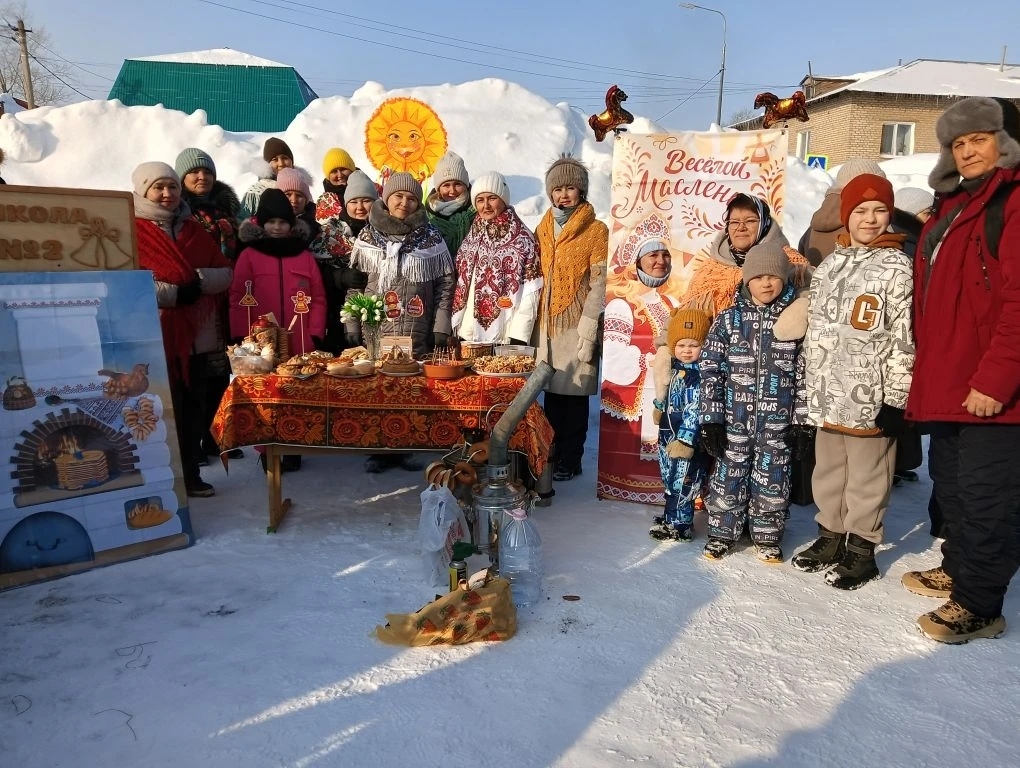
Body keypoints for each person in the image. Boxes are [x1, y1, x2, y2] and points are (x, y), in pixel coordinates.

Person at [902, 96, 1020, 643]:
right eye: (958, 142)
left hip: (991, 390)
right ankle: (957, 568)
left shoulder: (1012, 203)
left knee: (987, 496)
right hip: (949, 381)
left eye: (980, 138)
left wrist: (995, 380)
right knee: (951, 485)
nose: (968, 150)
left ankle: (979, 603)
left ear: (1006, 141)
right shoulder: (953, 206)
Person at [791, 173, 914, 590]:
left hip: (870, 395)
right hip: (828, 394)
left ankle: (861, 546)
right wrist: (810, 392)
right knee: (828, 471)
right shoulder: (832, 263)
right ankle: (830, 534)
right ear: (847, 216)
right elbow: (817, 333)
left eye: (880, 211)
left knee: (867, 475)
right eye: (861, 211)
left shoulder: (897, 267)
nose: (870, 219)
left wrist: (896, 397)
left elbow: (903, 336)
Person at [698, 241, 804, 563]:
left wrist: (801, 422)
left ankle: (768, 535)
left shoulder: (793, 320)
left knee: (773, 479)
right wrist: (712, 417)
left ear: (785, 278)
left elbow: (805, 375)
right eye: (758, 277)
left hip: (777, 423)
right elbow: (710, 369)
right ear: (747, 280)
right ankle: (721, 532)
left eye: (773, 276)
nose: (766, 283)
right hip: (734, 421)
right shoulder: (730, 320)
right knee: (729, 474)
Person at [131, 162, 232, 498]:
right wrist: (174, 294)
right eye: (158, 187)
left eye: (172, 187)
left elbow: (225, 272)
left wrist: (200, 283)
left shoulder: (192, 229)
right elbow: (127, 284)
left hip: (197, 338)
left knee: (193, 409)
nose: (167, 194)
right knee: (158, 409)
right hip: (155, 336)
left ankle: (189, 474)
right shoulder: (132, 231)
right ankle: (160, 477)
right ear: (144, 190)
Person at [350, 172, 455, 474]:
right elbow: (355, 285)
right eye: (398, 196)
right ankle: (381, 448)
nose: (404, 203)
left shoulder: (431, 237)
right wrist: (353, 323)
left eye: (411, 198)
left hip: (416, 325)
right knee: (380, 387)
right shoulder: (368, 236)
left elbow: (445, 285)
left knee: (412, 388)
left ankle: (409, 445)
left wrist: (441, 325)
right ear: (386, 198)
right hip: (377, 326)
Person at [533, 156, 608, 483]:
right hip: (547, 324)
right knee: (550, 392)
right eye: (558, 189)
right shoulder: (543, 226)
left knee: (574, 395)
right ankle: (551, 453)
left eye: (571, 188)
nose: (564, 195)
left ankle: (571, 458)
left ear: (582, 191)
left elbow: (601, 279)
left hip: (577, 322)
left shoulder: (596, 229)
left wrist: (591, 320)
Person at [599, 221, 685, 503]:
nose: (661, 261)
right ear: (637, 262)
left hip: (672, 396)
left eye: (665, 256)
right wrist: (651, 360)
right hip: (637, 402)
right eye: (653, 256)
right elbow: (614, 359)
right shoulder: (621, 304)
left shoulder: (673, 303)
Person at [174, 147, 243, 463]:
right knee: (196, 373)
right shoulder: (177, 213)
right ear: (182, 177)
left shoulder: (227, 210)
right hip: (193, 300)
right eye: (194, 172)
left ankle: (217, 436)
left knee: (222, 370)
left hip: (226, 299)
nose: (201, 177)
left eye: (207, 172)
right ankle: (195, 437)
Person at [680, 193, 811, 319]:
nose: (741, 227)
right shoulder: (709, 270)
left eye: (750, 221)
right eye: (735, 222)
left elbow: (808, 304)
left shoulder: (791, 263)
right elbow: (683, 319)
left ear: (764, 225)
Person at [230, 188, 327, 357]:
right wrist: (241, 336)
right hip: (259, 347)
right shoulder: (249, 256)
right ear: (261, 223)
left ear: (291, 224)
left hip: (301, 345)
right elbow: (238, 298)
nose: (277, 227)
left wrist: (314, 335)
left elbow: (318, 298)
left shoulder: (304, 256)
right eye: (271, 221)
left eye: (282, 222)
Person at [451, 172, 542, 346]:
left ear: (503, 199)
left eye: (492, 198)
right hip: (467, 335)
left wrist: (518, 337)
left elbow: (530, 291)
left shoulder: (522, 239)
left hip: (504, 336)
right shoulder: (471, 238)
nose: (485, 205)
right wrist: (461, 328)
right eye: (480, 200)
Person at [648, 308, 711, 542]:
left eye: (693, 345)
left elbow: (696, 409)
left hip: (687, 442)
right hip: (667, 434)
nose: (686, 350)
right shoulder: (675, 370)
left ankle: (681, 525)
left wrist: (686, 438)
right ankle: (670, 515)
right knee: (669, 478)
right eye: (681, 345)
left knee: (684, 480)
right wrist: (659, 407)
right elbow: (665, 392)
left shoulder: (700, 377)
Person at [312, 169, 375, 352]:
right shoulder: (329, 233)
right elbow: (313, 274)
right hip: (336, 316)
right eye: (354, 201)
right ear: (346, 204)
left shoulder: (385, 234)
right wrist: (338, 277)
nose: (360, 207)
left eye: (366, 200)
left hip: (374, 314)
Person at [426, 151, 475, 257]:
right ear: (438, 189)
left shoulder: (477, 211)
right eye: (446, 185)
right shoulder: (425, 217)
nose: (452, 191)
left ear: (466, 186)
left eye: (457, 184)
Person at [240, 137, 294, 219]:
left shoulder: (301, 188)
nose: (281, 163)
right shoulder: (255, 194)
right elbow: (241, 222)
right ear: (267, 164)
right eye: (275, 159)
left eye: (285, 158)